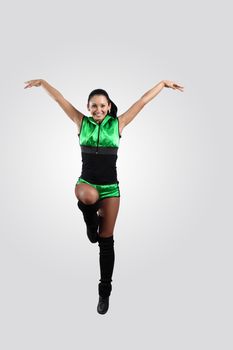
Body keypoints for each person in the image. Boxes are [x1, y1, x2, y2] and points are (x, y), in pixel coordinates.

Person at [24, 78, 184, 314]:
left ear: (108, 107)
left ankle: (104, 291)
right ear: (88, 108)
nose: (98, 110)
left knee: (106, 242)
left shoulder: (117, 125)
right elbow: (60, 100)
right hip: (86, 184)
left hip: (111, 189)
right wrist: (42, 83)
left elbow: (142, 102)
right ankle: (90, 218)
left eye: (102, 106)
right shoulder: (81, 123)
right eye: (93, 106)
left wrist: (162, 84)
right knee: (87, 197)